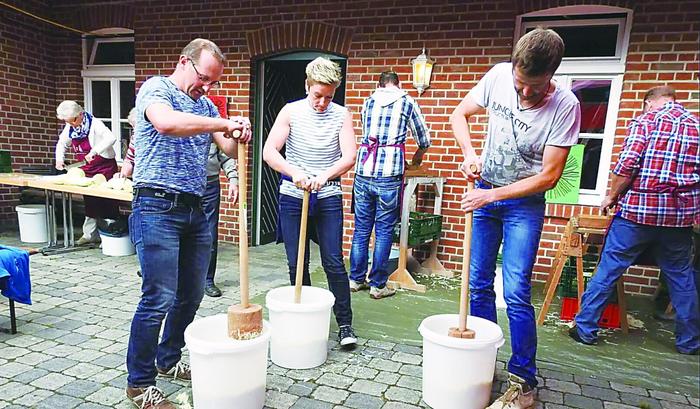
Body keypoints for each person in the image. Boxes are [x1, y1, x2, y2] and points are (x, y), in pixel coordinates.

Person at [450, 28, 581, 409]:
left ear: (552, 76)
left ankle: (523, 379)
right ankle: (483, 361)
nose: (525, 95)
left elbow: (550, 176)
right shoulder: (496, 76)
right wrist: (470, 153)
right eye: (520, 85)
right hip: (485, 190)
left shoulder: (566, 106)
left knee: (517, 292)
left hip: (522, 205)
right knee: (476, 284)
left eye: (535, 89)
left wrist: (491, 195)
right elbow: (461, 114)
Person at [125, 38, 251, 409]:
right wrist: (221, 121)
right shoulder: (156, 88)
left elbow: (226, 149)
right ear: (184, 62)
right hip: (156, 205)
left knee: (192, 292)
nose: (207, 87)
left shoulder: (207, 104)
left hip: (195, 208)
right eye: (204, 78)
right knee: (158, 296)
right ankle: (139, 384)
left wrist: (236, 131)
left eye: (214, 82)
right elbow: (166, 124)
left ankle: (168, 359)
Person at [570, 85, 699, 355]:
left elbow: (627, 165)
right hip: (678, 218)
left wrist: (611, 196)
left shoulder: (645, 122)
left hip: (637, 213)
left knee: (609, 269)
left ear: (650, 102)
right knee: (681, 277)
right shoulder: (696, 126)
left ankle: (585, 330)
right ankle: (690, 342)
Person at [263, 57, 358, 347]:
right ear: (307, 85)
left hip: (327, 195)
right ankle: (303, 317)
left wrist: (324, 176)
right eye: (318, 95)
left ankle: (344, 324)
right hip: (293, 196)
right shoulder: (290, 112)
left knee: (333, 261)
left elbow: (349, 156)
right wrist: (296, 173)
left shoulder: (342, 115)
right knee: (297, 260)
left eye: (329, 97)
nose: (322, 103)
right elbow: (270, 151)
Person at [348, 71, 430, 299]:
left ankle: (355, 280)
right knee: (384, 231)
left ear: (379, 84)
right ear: (398, 84)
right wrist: (417, 157)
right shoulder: (407, 102)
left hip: (363, 171)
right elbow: (424, 139)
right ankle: (377, 285)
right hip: (389, 174)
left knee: (362, 228)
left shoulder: (368, 102)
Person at [55, 100, 121, 245]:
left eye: (72, 120)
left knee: (108, 201)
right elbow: (62, 143)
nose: (71, 124)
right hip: (87, 169)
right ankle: (89, 234)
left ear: (80, 114)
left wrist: (94, 151)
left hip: (105, 167)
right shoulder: (70, 128)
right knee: (90, 202)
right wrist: (59, 159)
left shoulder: (95, 123)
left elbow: (111, 138)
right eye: (67, 122)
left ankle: (110, 235)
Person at [202, 143, 239, 297]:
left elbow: (226, 154)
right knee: (180, 233)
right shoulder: (181, 121)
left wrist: (233, 180)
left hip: (210, 184)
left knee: (210, 235)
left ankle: (207, 280)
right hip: (184, 184)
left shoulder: (214, 122)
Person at [120, 107, 137, 179]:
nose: (134, 130)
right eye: (133, 127)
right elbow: (129, 160)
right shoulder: (135, 137)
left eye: (135, 126)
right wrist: (122, 175)